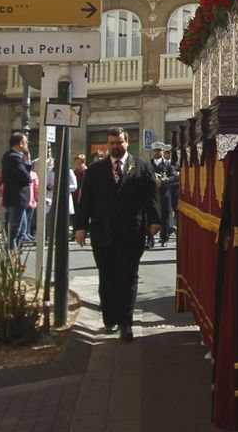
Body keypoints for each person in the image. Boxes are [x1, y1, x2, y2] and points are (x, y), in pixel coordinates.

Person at [73, 128, 159, 340]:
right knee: (108, 276)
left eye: (119, 142)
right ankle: (109, 318)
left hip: (132, 232)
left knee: (128, 276)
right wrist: (80, 227)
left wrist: (155, 220)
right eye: (111, 143)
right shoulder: (96, 169)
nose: (115, 146)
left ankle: (125, 322)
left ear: (127, 142)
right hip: (103, 232)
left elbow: (151, 195)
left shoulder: (140, 166)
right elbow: (86, 201)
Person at [0, 131, 33, 247]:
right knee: (15, 229)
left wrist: (27, 161)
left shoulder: (8, 156)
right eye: (26, 142)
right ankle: (10, 253)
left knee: (22, 229)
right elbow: (26, 177)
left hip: (15, 198)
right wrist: (27, 162)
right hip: (17, 197)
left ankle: (15, 253)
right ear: (20, 144)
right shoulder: (14, 158)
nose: (27, 144)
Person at [148, 141, 178, 247]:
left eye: (159, 151)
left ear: (162, 151)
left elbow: (174, 176)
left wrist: (165, 180)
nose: (157, 152)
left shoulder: (167, 164)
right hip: (151, 195)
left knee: (164, 216)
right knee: (151, 216)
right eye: (155, 151)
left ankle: (164, 238)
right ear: (153, 152)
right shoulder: (148, 164)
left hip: (164, 194)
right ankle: (150, 239)